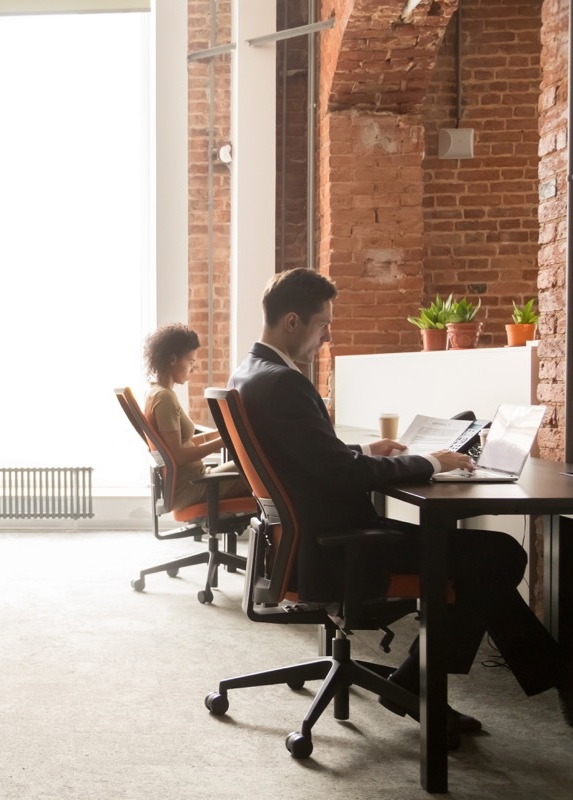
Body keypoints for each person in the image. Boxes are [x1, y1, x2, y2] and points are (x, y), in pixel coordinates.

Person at [227, 267, 571, 740]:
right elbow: (340, 474)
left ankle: (423, 684)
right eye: (323, 323)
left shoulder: (251, 374)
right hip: (340, 548)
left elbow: (312, 458)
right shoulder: (283, 383)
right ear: (291, 321)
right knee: (498, 556)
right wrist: (430, 462)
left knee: (483, 560)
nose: (327, 336)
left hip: (312, 537)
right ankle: (424, 685)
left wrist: (369, 450)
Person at [142, 323, 249, 510]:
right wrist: (225, 440)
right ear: (173, 359)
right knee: (261, 470)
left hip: (196, 480)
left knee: (254, 466)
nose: (194, 369)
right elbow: (178, 455)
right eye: (191, 362)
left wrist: (223, 433)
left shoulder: (155, 392)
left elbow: (183, 443)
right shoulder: (164, 397)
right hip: (194, 486)